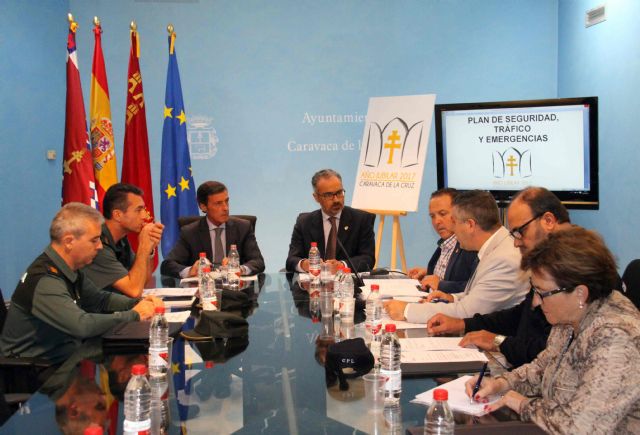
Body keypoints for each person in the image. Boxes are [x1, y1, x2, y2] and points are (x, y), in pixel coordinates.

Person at [467, 227, 640, 434]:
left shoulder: (617, 339)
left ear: (580, 293)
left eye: (542, 293)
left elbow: (579, 428)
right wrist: (500, 384)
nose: (536, 302)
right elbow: (543, 368)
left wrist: (522, 404)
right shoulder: (571, 315)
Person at [0, 203, 159, 364]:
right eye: (94, 240)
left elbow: (100, 300)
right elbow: (82, 326)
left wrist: (139, 303)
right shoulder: (45, 280)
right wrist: (134, 314)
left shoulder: (69, 269)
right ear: (69, 241)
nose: (100, 246)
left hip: (66, 358)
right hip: (34, 370)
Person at [427, 187, 568, 367]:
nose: (516, 242)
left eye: (520, 231)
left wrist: (498, 342)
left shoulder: (575, 265)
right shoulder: (550, 259)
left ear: (548, 221)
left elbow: (550, 352)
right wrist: (464, 324)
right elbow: (521, 314)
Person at [384, 190, 528, 323]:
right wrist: (452, 298)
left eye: (455, 222)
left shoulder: (503, 259)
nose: (453, 228)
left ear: (470, 225)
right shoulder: (495, 247)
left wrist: (407, 310)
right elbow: (478, 295)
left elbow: (468, 312)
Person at [161, 181, 265, 278]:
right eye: (218, 203)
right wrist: (190, 271)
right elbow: (167, 265)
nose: (225, 208)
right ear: (203, 206)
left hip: (235, 288)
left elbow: (258, 262)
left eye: (226, 201)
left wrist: (240, 269)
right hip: (203, 288)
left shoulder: (243, 227)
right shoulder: (190, 232)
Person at [286, 169, 375, 273]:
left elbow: (368, 259)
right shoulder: (304, 222)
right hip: (315, 281)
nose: (336, 200)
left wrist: (341, 266)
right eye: (329, 195)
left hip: (346, 281)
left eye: (339, 192)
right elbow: (291, 260)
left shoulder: (361, 220)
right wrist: (304, 264)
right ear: (316, 197)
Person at [82, 183, 164, 298]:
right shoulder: (97, 245)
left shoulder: (121, 239)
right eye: (138, 210)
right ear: (118, 215)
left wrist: (149, 248)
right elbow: (134, 290)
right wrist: (143, 246)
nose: (145, 216)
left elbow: (143, 281)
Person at [407, 188, 478, 293]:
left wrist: (441, 285)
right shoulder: (445, 244)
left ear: (459, 213)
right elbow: (447, 276)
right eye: (432, 216)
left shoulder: (470, 245)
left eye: (443, 213)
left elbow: (476, 287)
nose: (437, 221)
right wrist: (427, 276)